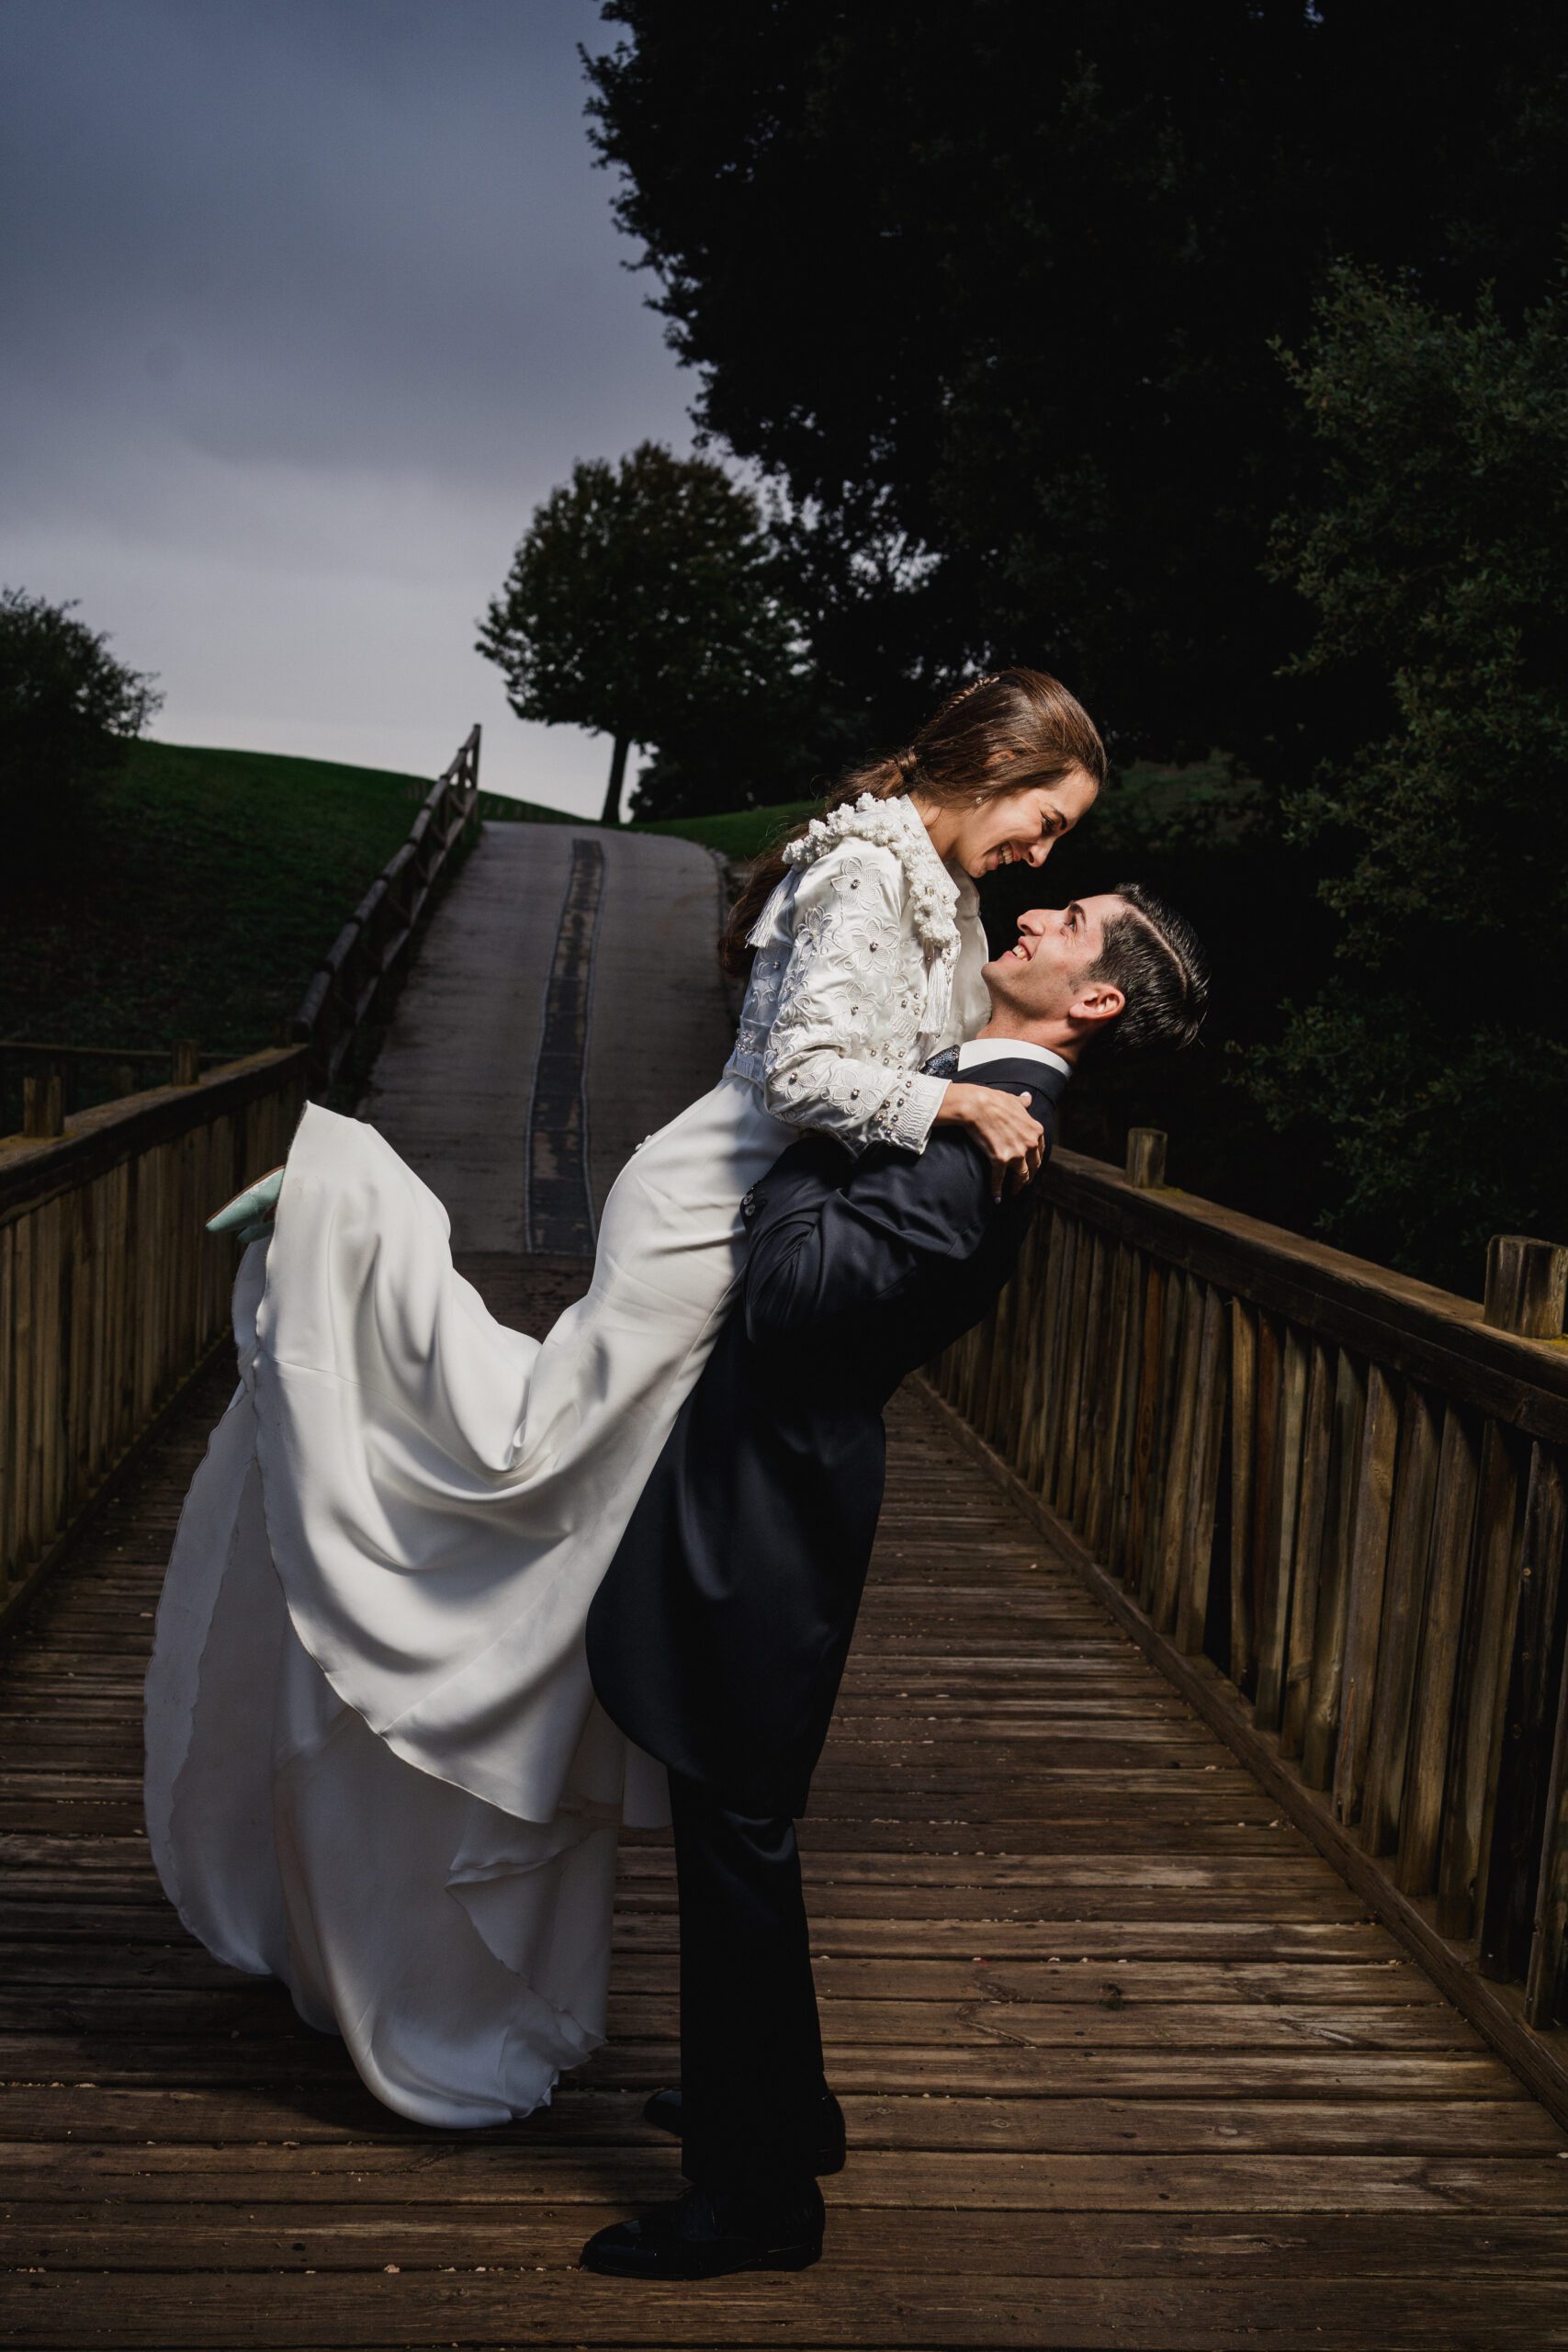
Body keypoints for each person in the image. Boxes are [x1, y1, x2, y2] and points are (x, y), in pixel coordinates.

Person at [144, 669, 1104, 2127]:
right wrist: (954, 1103)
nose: (1045, 853)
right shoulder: (862, 870)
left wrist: (990, 1075)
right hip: (706, 1222)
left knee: (583, 1538)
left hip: (768, 1224)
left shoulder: (943, 892)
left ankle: (634, 1979)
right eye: (1044, 818)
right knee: (531, 1471)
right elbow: (800, 1069)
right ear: (986, 768)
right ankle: (342, 1222)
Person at [579, 883, 1209, 2279]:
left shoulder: (980, 1138)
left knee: (737, 1832)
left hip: (772, 1504)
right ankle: (779, 2104)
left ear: (1093, 1001)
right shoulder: (959, 1091)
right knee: (737, 1822)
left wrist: (825, 1127)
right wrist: (901, 1099)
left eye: (1072, 921)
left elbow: (801, 1297)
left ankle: (757, 2203)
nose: (1038, 911)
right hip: (768, 1481)